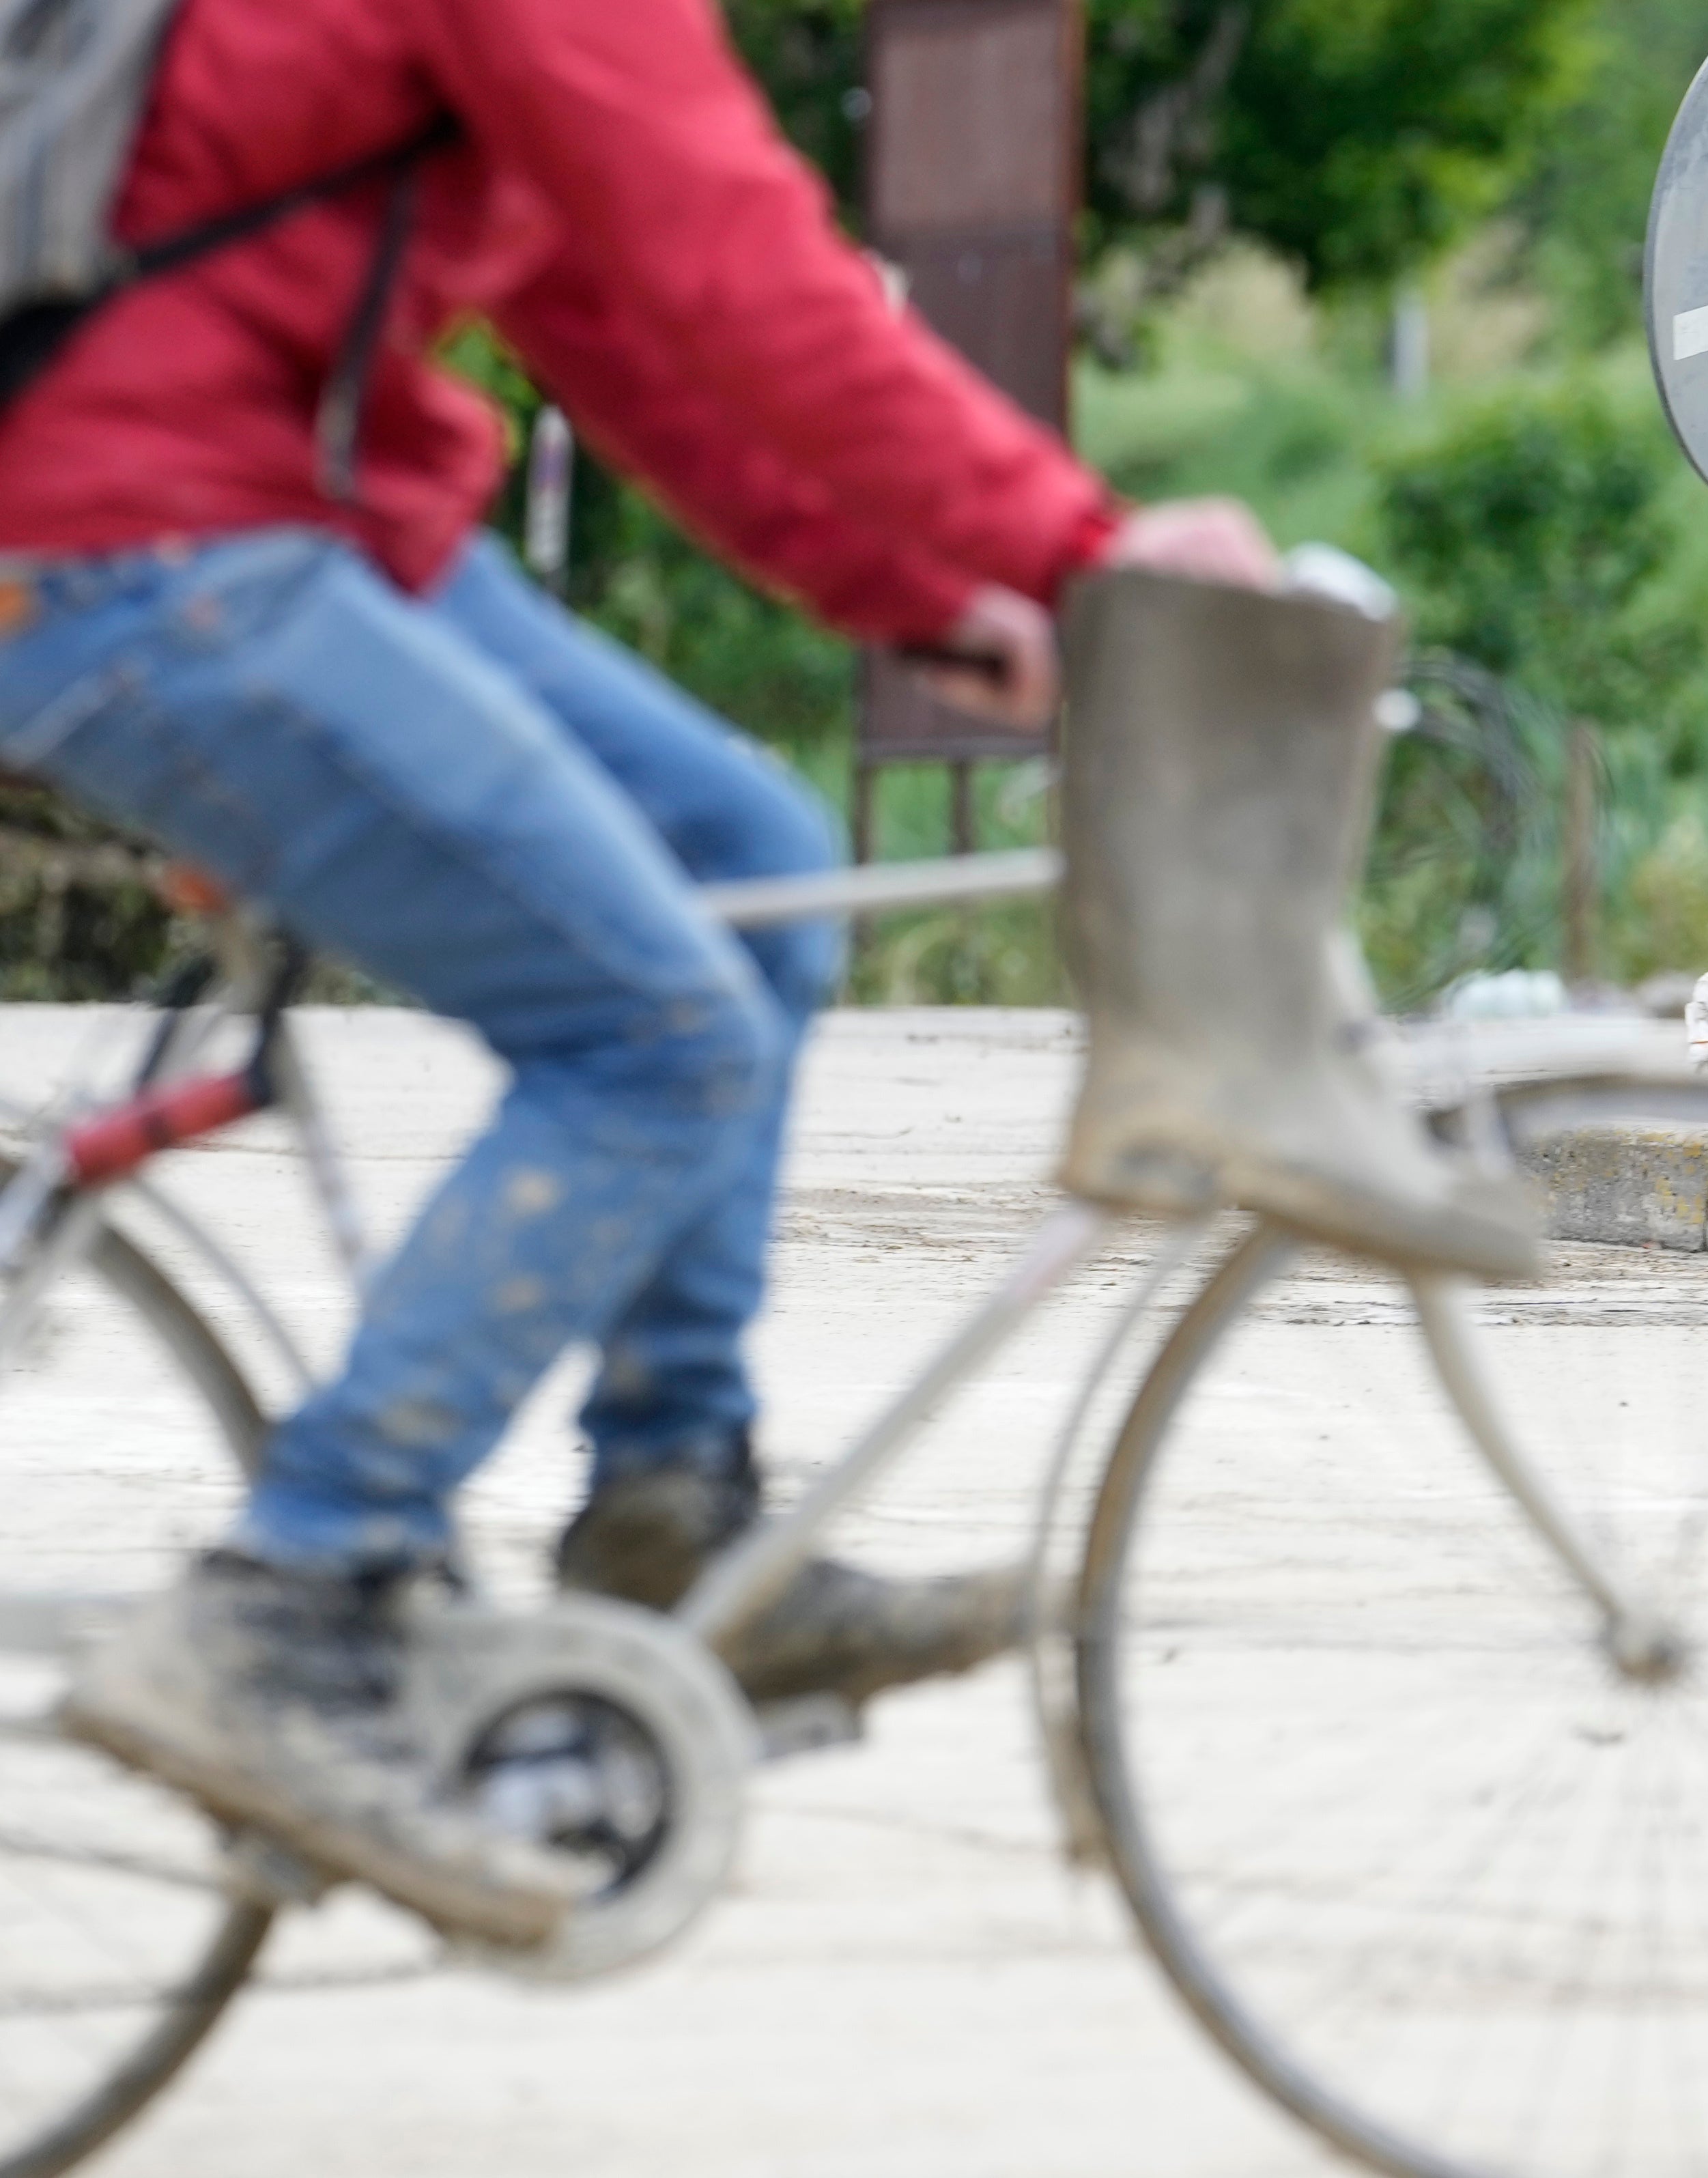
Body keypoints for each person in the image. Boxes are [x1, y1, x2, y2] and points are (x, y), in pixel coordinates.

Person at [0, 0, 1277, 1945]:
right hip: (147, 540)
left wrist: (927, 594)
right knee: (655, 1022)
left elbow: (635, 330)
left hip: (290, 516)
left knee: (747, 853)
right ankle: (290, 1598)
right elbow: (741, 272)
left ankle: (665, 1508)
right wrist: (1085, 550)